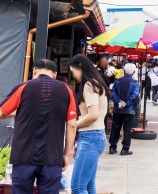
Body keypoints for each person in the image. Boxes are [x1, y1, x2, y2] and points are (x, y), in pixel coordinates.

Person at [0, 59, 77, 193]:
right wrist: (66, 154)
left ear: (34, 70)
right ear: (54, 74)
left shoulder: (22, 87)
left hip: (23, 156)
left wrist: (15, 113)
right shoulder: (67, 90)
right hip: (52, 157)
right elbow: (72, 125)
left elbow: (1, 112)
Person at [70, 54, 111, 194]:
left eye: (73, 72)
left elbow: (93, 115)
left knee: (78, 187)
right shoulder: (97, 83)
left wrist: (74, 125)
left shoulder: (89, 85)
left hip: (90, 137)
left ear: (80, 68)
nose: (74, 76)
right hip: (95, 136)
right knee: (88, 186)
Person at [109, 63, 140, 156]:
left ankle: (112, 147)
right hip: (129, 110)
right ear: (133, 72)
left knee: (115, 127)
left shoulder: (117, 81)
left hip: (118, 109)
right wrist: (126, 103)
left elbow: (112, 92)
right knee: (127, 129)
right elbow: (135, 95)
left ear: (124, 71)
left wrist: (119, 102)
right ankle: (125, 149)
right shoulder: (135, 83)